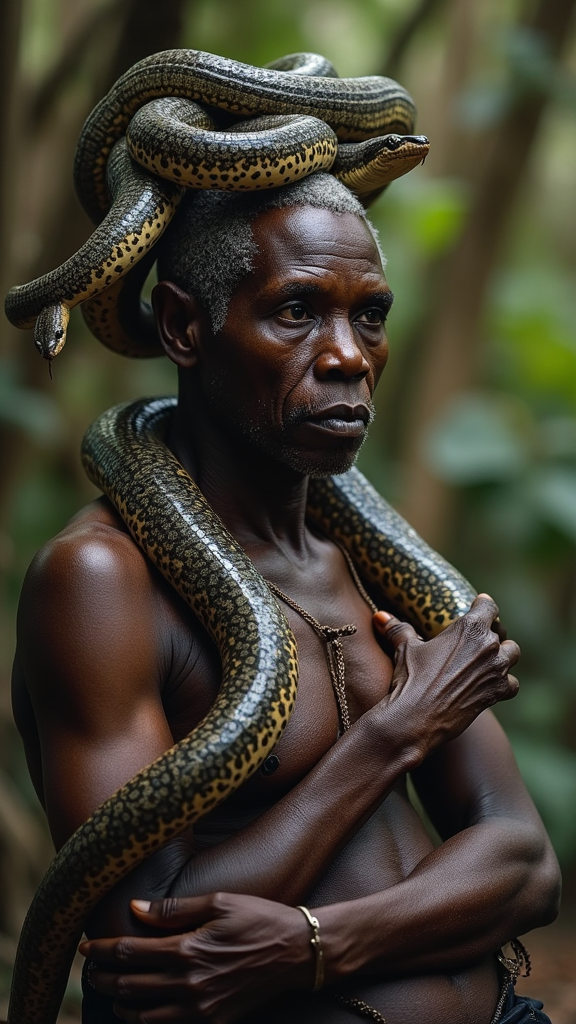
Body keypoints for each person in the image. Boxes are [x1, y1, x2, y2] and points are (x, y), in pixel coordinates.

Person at [12, 174, 560, 1024]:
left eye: (369, 315)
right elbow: (145, 939)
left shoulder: (376, 566)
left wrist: (314, 944)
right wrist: (397, 732)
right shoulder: (103, 580)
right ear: (186, 327)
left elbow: (525, 865)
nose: (348, 354)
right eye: (297, 311)